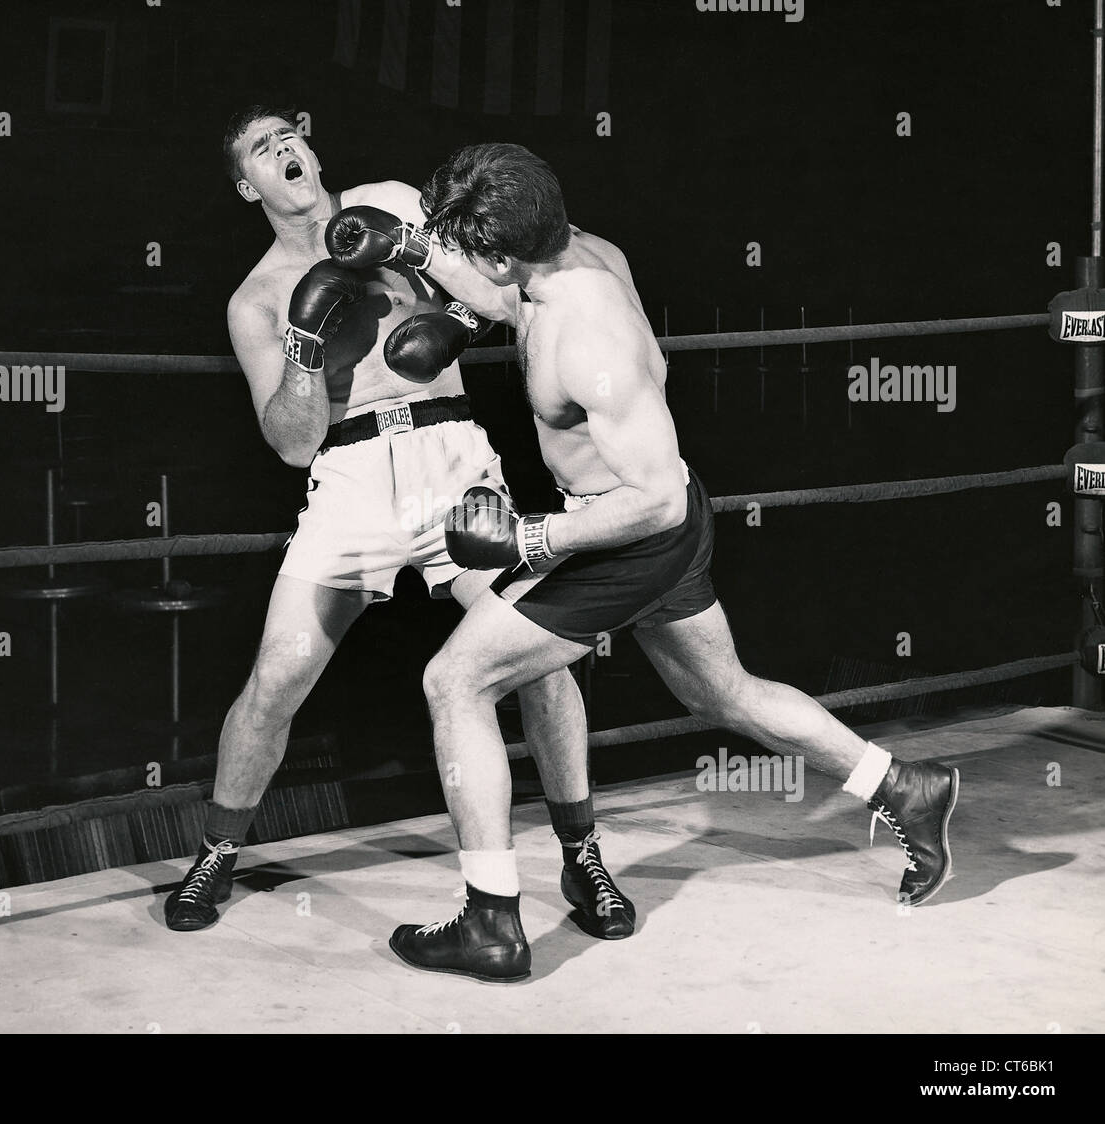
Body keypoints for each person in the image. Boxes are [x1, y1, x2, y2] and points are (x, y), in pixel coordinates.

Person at [387, 142, 960, 982]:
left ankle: (490, 922)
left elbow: (648, 500)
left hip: (633, 531)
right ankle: (905, 786)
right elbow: (501, 295)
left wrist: (530, 540)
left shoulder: (588, 339)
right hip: (663, 517)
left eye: (467, 254)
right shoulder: (577, 257)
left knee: (457, 681)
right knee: (723, 692)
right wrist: (413, 251)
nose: (460, 270)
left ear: (505, 252)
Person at [164, 109, 635, 942]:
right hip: (347, 478)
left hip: (451, 454)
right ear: (249, 186)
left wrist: (441, 295)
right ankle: (216, 851)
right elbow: (290, 445)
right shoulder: (257, 300)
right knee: (276, 678)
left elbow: (500, 278)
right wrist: (308, 348)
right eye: (263, 151)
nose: (286, 151)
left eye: (291, 136)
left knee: (538, 656)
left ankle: (582, 851)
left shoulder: (391, 199)